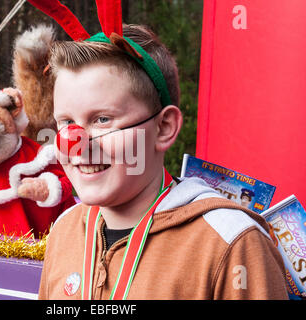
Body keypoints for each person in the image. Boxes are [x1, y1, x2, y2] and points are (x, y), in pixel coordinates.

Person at [38, 24, 288, 300]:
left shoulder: (231, 243)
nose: (77, 145)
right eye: (67, 122)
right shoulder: (65, 230)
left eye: (102, 120)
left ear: (164, 128)